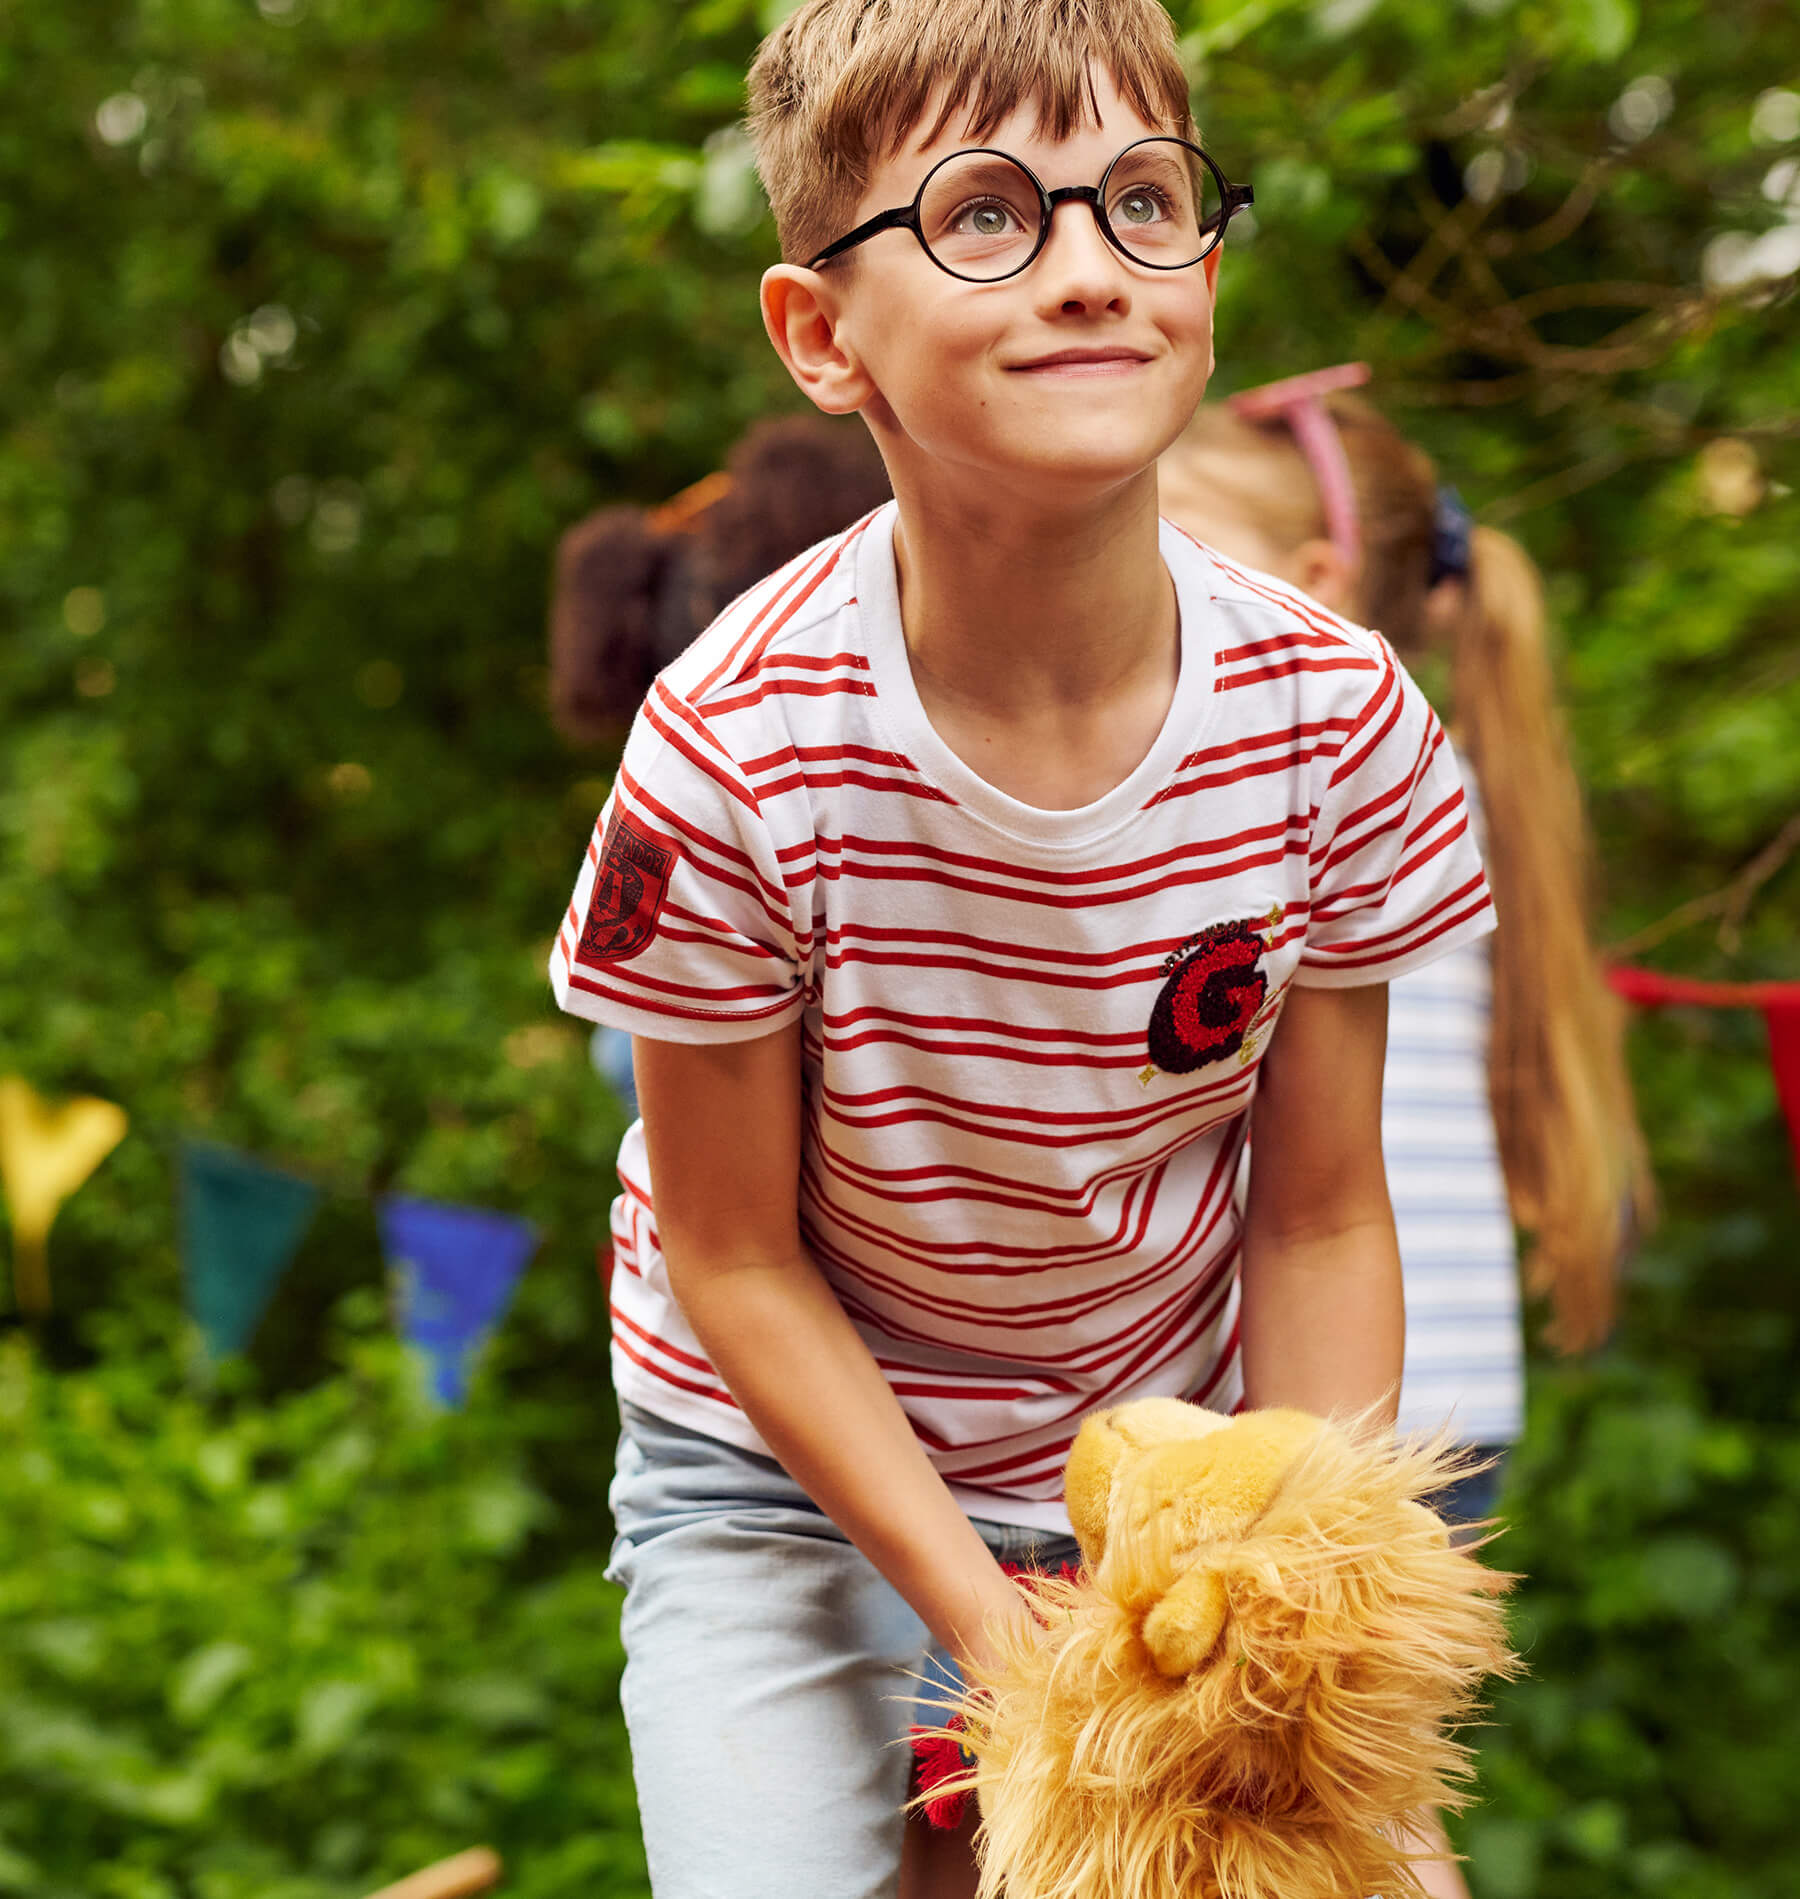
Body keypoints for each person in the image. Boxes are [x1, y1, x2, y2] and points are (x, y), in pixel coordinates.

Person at [547, 5, 1496, 1894]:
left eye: (1144, 200)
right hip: (778, 1479)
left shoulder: (1341, 720)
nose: (1088, 275)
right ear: (824, 336)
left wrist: (1277, 1586)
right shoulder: (735, 748)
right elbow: (733, 1257)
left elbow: (1315, 1218)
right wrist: (986, 1630)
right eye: (984, 217)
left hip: (1168, 1454)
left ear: (1209, 267)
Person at [1159, 366, 1653, 1898]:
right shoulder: (1461, 774)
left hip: (1328, 1386)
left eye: (1168, 554)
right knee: (1342, 1810)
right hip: (1445, 1389)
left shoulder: (1314, 784)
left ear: (1308, 584)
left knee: (1336, 1818)